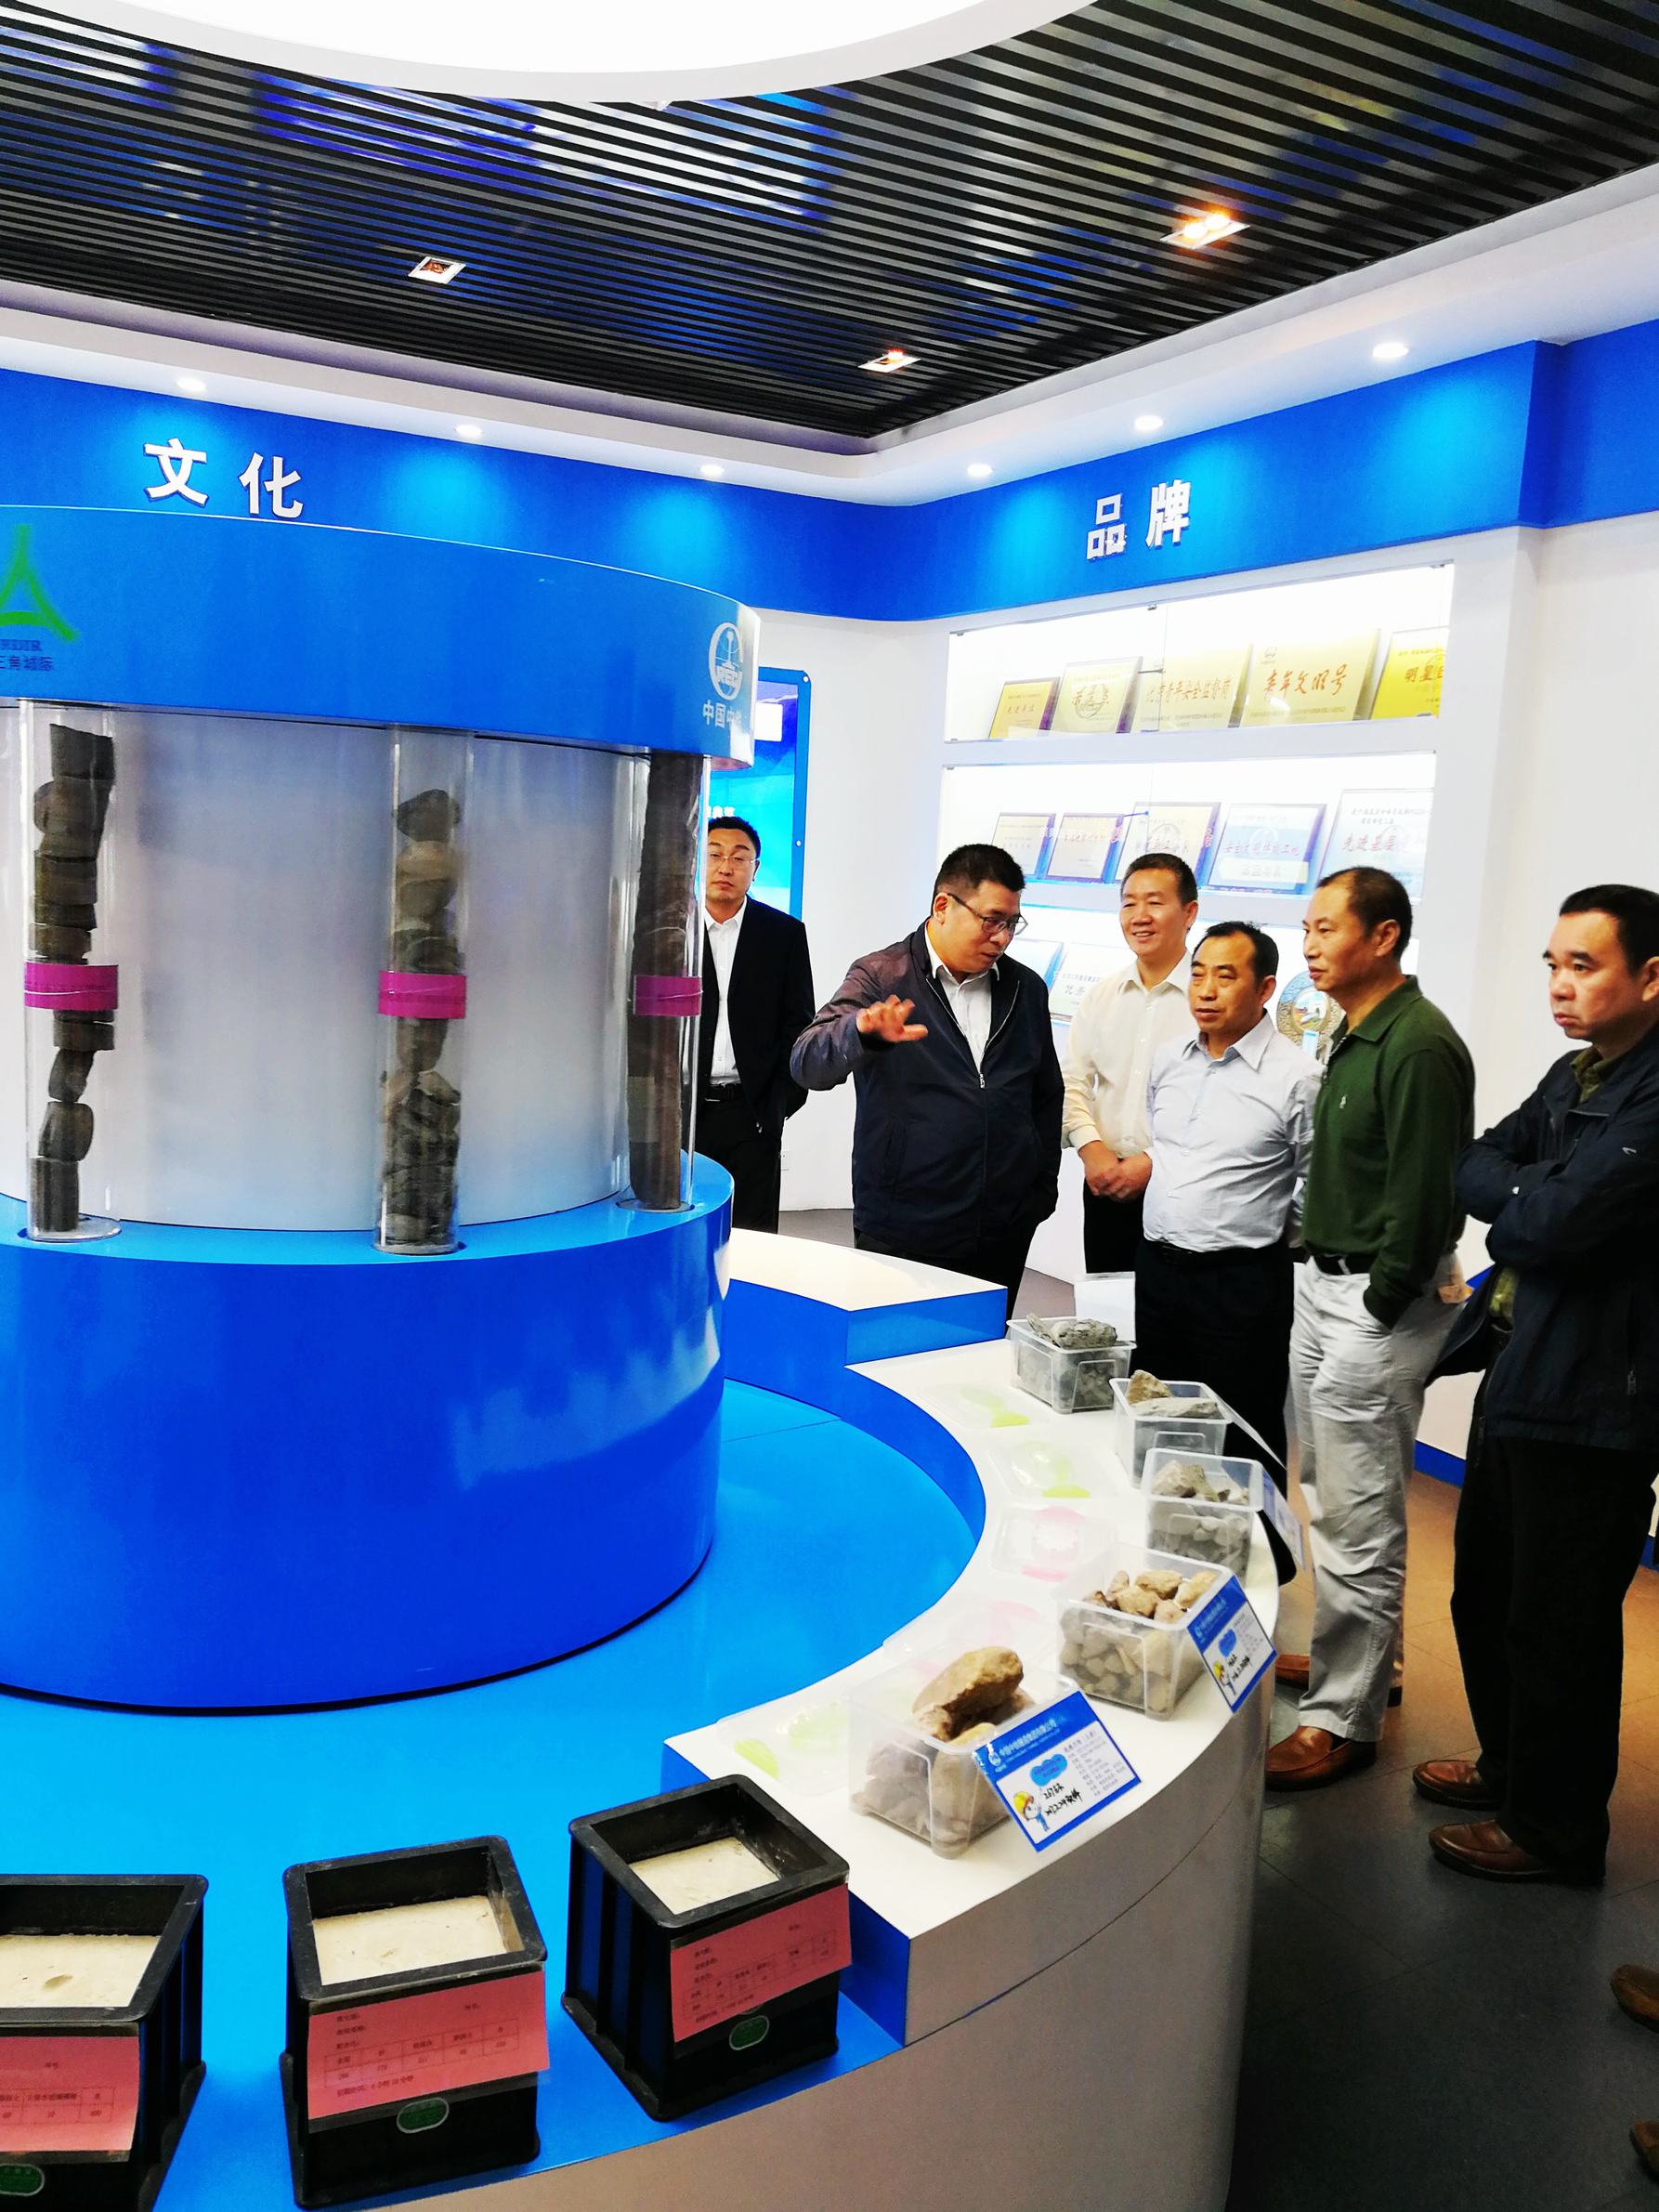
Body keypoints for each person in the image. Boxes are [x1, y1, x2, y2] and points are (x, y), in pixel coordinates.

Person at [1412, 883, 1659, 1885]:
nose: (1559, 984)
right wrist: (1535, 1201)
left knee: (1559, 1620)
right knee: (1487, 1592)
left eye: (1583, 965)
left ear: (1651, 975)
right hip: (1522, 1363)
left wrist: (1528, 1206)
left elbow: (1548, 1224)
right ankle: (1509, 1771)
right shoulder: (1577, 1073)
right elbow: (1476, 1161)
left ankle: (1555, 1828)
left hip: (1597, 1393)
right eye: (1552, 964)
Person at [1265, 867, 1474, 1791]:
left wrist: (1382, 1302)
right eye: (1307, 928)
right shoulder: (1353, 1029)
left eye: (1326, 927)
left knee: (1358, 1515)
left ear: (1383, 936)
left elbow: (1428, 1199)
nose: (1309, 944)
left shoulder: (1418, 1043)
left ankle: (1340, 1720)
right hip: (1324, 1284)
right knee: (1329, 1491)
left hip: (1372, 1301)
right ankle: (1358, 1660)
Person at [790, 843, 1063, 1315]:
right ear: (942, 906)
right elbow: (806, 1061)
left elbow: (1045, 1095)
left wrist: (1039, 1191)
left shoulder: (1026, 988)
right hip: (905, 1223)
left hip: (1003, 1225)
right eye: (991, 920)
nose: (1002, 938)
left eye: (1012, 924)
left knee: (983, 1349)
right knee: (900, 1349)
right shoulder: (881, 976)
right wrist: (860, 1031)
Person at [1134, 922, 1321, 1583]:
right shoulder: (1170, 1058)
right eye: (1199, 973)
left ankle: (1263, 1578)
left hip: (1241, 1280)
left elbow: (1313, 1183)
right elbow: (1165, 1148)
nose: (1206, 990)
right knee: (1161, 1417)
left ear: (1266, 988)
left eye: (1226, 975)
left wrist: (1259, 1234)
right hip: (1160, 1271)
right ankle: (1171, 1563)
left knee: (1246, 1430)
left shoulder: (1298, 1077)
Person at [1062, 851, 1199, 1271]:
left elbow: (1223, 1106)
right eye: (1129, 903)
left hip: (1183, 1190)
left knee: (1173, 1306)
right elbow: (1072, 1081)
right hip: (1105, 1185)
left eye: (1155, 902)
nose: (1139, 916)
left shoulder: (1210, 1001)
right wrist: (1090, 1148)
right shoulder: (1102, 995)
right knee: (1107, 1305)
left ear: (1189, 913)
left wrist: (1153, 1161)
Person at [695, 815, 816, 1233]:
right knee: (682, 1227)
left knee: (753, 1233)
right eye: (714, 855)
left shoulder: (783, 934)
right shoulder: (669, 930)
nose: (725, 867)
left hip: (751, 1112)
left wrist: (778, 1102)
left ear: (755, 868)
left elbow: (798, 1023)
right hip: (682, 1112)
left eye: (738, 857)